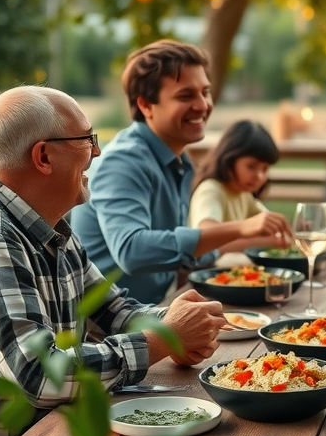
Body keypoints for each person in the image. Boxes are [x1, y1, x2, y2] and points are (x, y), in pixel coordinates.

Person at [0, 86, 227, 436]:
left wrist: (173, 324)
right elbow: (42, 376)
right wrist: (158, 341)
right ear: (43, 157)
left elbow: (115, 311)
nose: (97, 153)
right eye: (88, 139)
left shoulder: (49, 229)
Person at [70, 39, 290, 304]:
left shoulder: (180, 161)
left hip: (158, 308)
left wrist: (257, 236)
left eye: (205, 92)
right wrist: (242, 227)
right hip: (110, 329)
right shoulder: (124, 162)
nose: (203, 105)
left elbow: (190, 248)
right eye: (186, 96)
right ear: (146, 105)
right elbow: (132, 251)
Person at [188, 119, 293, 253]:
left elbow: (267, 223)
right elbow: (205, 237)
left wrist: (291, 227)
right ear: (229, 160)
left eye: (265, 169)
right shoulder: (211, 190)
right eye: (251, 166)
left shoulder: (243, 193)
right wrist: (270, 241)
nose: (259, 176)